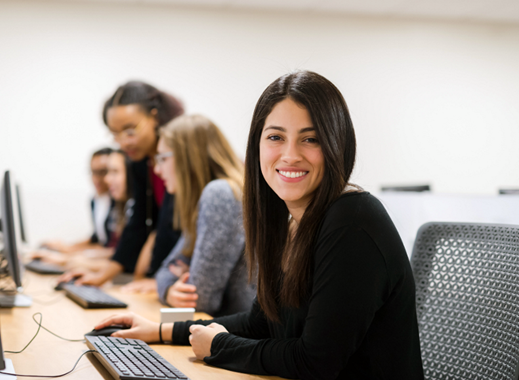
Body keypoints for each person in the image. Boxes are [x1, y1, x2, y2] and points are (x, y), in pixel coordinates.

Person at [93, 71, 424, 379]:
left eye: (311, 139)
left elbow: (318, 360)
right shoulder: (289, 221)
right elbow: (258, 323)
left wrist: (220, 347)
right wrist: (161, 330)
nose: (290, 155)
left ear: (337, 144)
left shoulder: (353, 221)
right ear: (258, 145)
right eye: (276, 137)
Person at [59, 81, 183, 288]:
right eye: (115, 134)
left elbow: (178, 231)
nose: (124, 142)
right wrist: (101, 276)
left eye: (130, 130)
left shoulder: (178, 159)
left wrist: (157, 282)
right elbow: (138, 224)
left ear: (155, 117)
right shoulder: (140, 162)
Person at [153, 114, 255, 317]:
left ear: (188, 157)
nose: (157, 169)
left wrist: (172, 288)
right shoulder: (212, 196)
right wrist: (169, 290)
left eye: (163, 158)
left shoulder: (221, 194)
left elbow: (200, 300)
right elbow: (165, 269)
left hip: (243, 338)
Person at [40, 148, 116, 257]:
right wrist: (66, 247)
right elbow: (97, 238)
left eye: (102, 172)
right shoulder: (94, 201)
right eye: (93, 172)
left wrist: (70, 252)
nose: (96, 178)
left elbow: (110, 246)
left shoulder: (119, 203)